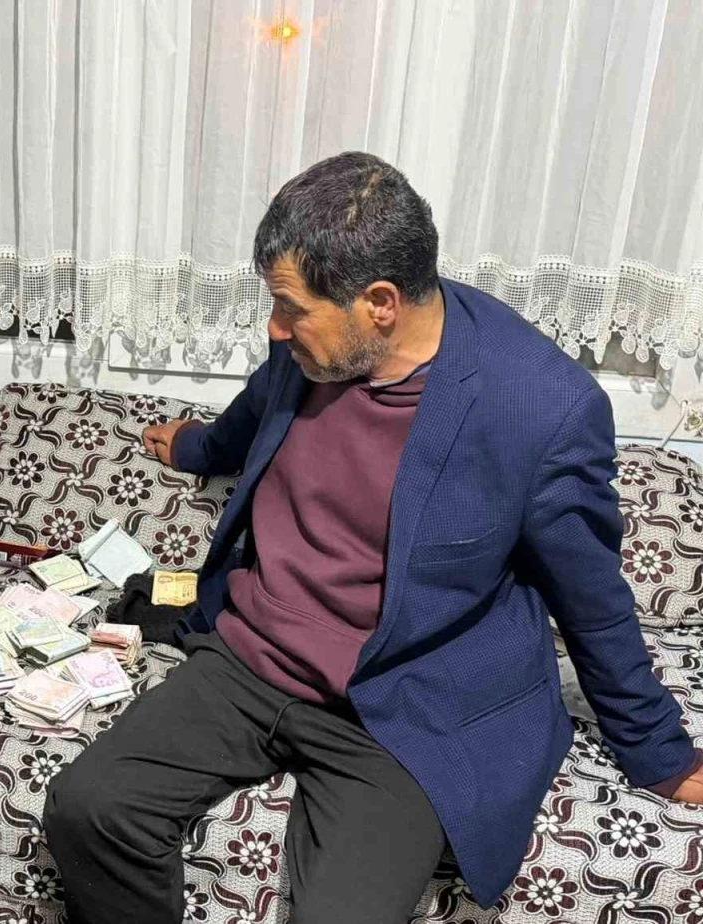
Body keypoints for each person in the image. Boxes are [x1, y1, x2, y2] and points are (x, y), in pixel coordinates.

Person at [44, 152, 702, 924]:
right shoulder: (310, 348)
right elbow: (256, 414)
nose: (274, 327)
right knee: (88, 806)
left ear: (379, 303)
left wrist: (657, 750)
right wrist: (195, 446)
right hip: (249, 664)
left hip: (403, 704)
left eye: (290, 308)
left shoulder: (539, 406)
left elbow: (590, 597)